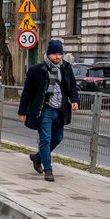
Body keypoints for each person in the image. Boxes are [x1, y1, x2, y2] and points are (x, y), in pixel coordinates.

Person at [17, 39, 80, 182]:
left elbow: (72, 86)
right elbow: (27, 92)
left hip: (60, 109)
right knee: (45, 139)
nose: (58, 57)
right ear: (48, 54)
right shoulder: (36, 70)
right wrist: (22, 111)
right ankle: (48, 169)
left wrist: (75, 100)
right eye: (55, 54)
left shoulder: (66, 67)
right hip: (43, 109)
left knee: (58, 137)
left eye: (60, 54)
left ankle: (37, 157)